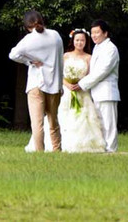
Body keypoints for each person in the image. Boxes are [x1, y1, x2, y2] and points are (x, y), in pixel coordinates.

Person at [25, 28, 106, 153]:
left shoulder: (89, 58)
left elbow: (90, 75)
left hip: (81, 91)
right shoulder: (66, 56)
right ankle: (53, 144)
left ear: (86, 42)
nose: (79, 43)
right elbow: (58, 72)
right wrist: (67, 84)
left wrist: (80, 84)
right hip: (66, 90)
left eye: (82, 40)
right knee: (58, 116)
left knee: (83, 117)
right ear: (73, 41)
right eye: (77, 40)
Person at [9, 10, 64, 152]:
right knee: (53, 121)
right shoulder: (55, 35)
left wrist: (30, 61)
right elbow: (60, 60)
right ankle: (57, 150)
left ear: (27, 26)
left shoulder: (29, 39)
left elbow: (13, 54)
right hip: (55, 84)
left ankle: (40, 152)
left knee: (37, 122)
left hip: (36, 84)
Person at [72, 19, 120, 152]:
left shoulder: (111, 49)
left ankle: (111, 149)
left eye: (97, 32)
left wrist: (82, 84)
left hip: (107, 92)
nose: (94, 36)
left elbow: (102, 71)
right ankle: (102, 148)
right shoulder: (97, 47)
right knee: (99, 123)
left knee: (108, 124)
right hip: (95, 92)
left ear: (105, 33)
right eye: (92, 33)